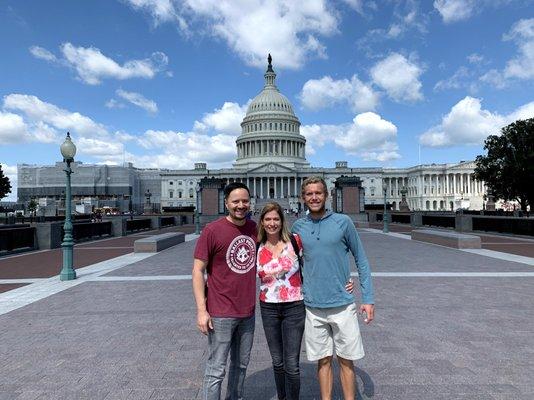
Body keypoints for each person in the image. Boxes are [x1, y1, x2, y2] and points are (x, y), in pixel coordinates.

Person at [257, 201, 354, 400]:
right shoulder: (256, 245)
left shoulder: (296, 241)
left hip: (294, 305)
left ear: (282, 221)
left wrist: (345, 277)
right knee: (277, 360)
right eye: (268, 219)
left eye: (276, 219)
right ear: (262, 222)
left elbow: (318, 259)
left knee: (291, 363)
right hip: (268, 306)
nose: (272, 223)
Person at [292, 177, 375, 400]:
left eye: (318, 193)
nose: (314, 197)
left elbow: (361, 259)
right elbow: (291, 262)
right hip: (312, 305)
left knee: (347, 360)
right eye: (309, 194)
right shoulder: (298, 226)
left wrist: (367, 298)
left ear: (326, 195)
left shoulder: (343, 222)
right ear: (303, 197)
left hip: (342, 303)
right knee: (323, 360)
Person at [192, 182, 257, 400]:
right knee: (216, 369)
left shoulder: (254, 229)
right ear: (226, 202)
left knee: (241, 366)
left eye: (245, 201)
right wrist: (202, 310)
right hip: (220, 312)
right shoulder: (212, 230)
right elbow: (197, 270)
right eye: (236, 201)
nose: (241, 205)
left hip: (247, 311)